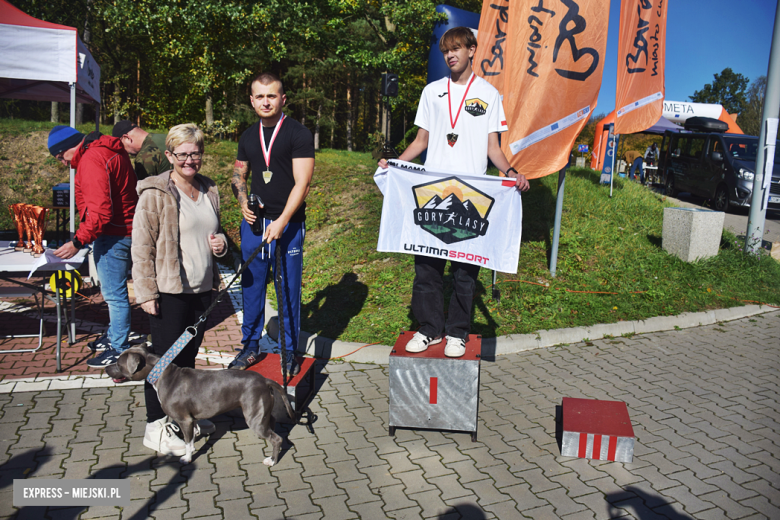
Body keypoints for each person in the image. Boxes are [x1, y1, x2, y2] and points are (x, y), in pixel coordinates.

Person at [378, 27, 529, 358]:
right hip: (433, 191)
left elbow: (494, 148)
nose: (450, 55)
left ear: (472, 50)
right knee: (427, 270)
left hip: (471, 195)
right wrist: (394, 163)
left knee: (464, 273)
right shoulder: (432, 92)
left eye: (457, 48)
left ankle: (458, 333)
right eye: (446, 50)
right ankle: (430, 329)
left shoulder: (489, 94)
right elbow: (421, 141)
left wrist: (511, 173)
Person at [131, 123, 228, 456]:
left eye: (196, 153)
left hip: (202, 291)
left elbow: (218, 234)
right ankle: (155, 428)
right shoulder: (155, 193)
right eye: (182, 153)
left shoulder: (209, 190)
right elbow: (141, 247)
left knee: (186, 363)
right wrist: (145, 293)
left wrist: (222, 244)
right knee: (162, 364)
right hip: (169, 291)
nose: (190, 160)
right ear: (169, 155)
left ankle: (182, 418)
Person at [229, 72, 315, 375]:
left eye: (272, 95)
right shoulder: (248, 135)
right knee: (251, 286)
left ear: (283, 99)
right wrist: (242, 202)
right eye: (260, 96)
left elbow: (302, 183)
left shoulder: (298, 133)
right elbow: (239, 174)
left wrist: (281, 221)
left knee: (287, 289)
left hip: (287, 225)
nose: (266, 102)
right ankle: (250, 346)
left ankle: (289, 351)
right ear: (252, 101)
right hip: (255, 225)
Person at [47, 125, 137, 368]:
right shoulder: (107, 151)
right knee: (115, 292)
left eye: (59, 157)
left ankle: (119, 348)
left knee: (114, 295)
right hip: (123, 229)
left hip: (113, 233)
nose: (63, 163)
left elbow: (99, 211)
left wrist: (78, 242)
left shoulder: (91, 159)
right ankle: (115, 335)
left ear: (66, 150)